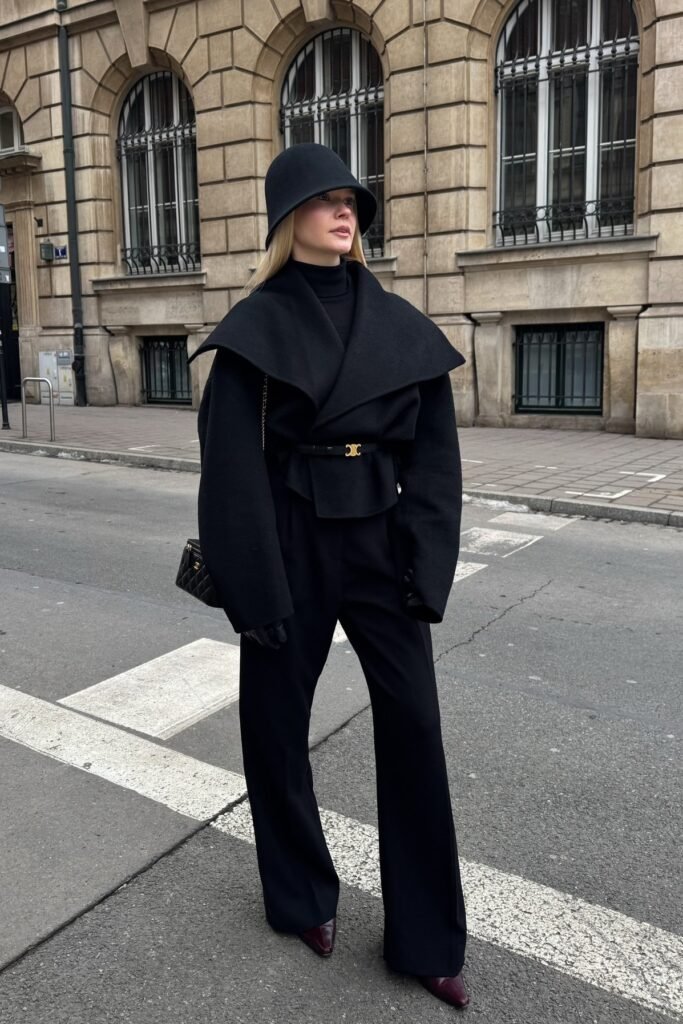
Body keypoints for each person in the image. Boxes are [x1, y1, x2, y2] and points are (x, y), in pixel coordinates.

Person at [188, 142, 470, 1011]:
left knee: (415, 729)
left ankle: (426, 938)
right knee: (275, 726)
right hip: (290, 535)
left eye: (352, 200)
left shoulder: (397, 324)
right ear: (289, 218)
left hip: (380, 542)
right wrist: (253, 589)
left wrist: (428, 568)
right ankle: (300, 896)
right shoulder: (252, 330)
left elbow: (434, 458)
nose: (345, 212)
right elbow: (229, 469)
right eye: (324, 201)